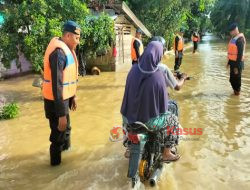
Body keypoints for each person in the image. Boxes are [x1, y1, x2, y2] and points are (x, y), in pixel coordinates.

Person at [121, 41, 181, 162]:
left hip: (128, 119)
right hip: (148, 123)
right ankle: (167, 152)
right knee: (173, 119)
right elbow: (163, 107)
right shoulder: (158, 76)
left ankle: (129, 147)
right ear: (158, 56)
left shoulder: (132, 70)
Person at [42, 20, 80, 166]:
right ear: (68, 36)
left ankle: (67, 160)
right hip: (55, 104)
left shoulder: (66, 49)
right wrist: (61, 115)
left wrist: (73, 97)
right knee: (58, 136)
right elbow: (57, 86)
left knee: (66, 130)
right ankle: (55, 169)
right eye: (77, 38)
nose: (78, 41)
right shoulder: (58, 53)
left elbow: (68, 79)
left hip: (63, 100)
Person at [227, 23, 246, 96]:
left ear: (235, 30)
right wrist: (229, 63)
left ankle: (237, 95)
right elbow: (231, 53)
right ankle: (235, 93)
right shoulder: (233, 38)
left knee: (236, 81)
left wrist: (236, 67)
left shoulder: (240, 39)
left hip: (237, 64)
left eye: (231, 31)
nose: (230, 33)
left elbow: (240, 54)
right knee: (231, 80)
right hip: (232, 62)